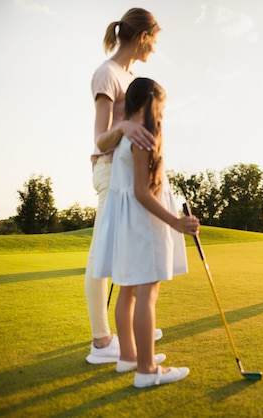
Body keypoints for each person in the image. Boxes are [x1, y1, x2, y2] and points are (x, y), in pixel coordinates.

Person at [93, 77, 200, 387]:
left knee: (128, 289)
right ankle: (146, 369)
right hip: (143, 224)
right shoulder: (144, 135)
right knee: (146, 294)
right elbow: (142, 192)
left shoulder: (126, 136)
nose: (163, 115)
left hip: (129, 224)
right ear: (153, 103)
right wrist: (176, 223)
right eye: (162, 108)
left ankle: (129, 357)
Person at [85, 8, 162, 365]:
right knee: (102, 254)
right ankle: (102, 342)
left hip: (127, 173)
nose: (155, 49)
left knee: (126, 252)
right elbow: (101, 139)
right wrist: (123, 129)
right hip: (108, 170)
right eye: (155, 41)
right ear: (143, 36)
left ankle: (128, 329)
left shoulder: (131, 77)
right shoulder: (107, 74)